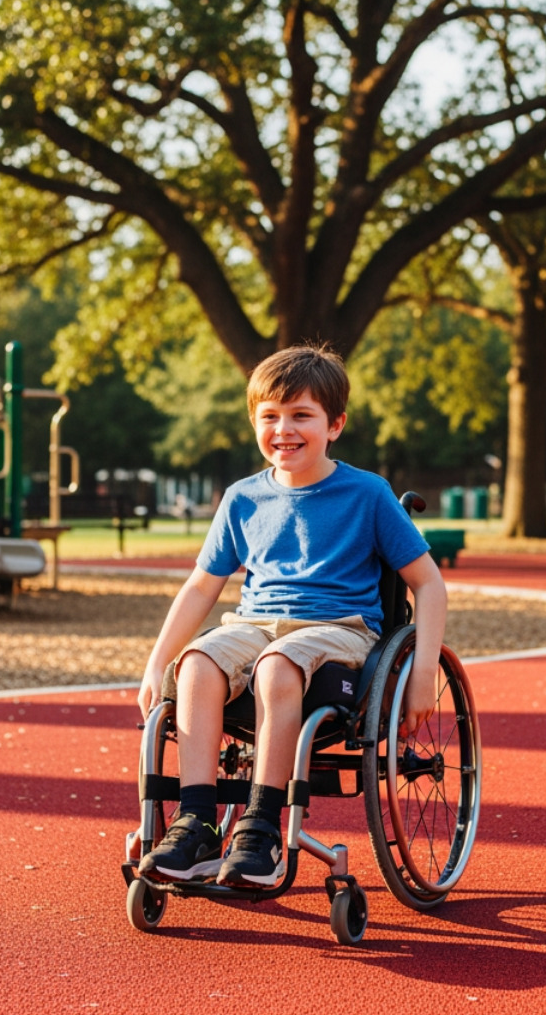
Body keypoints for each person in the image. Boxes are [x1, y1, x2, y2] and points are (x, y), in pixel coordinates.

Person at [134, 345, 446, 889]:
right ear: (254, 422)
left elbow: (429, 584)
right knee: (197, 664)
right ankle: (197, 823)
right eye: (270, 416)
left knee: (278, 666)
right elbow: (201, 587)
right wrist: (157, 661)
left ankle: (261, 830)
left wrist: (422, 674)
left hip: (340, 630)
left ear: (335, 425)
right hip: (252, 626)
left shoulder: (368, 494)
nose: (285, 429)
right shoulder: (242, 498)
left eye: (302, 415)